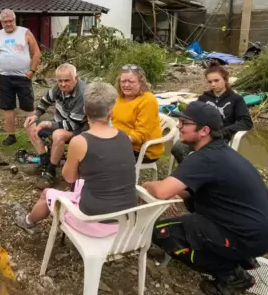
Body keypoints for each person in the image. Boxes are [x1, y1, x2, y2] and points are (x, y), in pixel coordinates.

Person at [142, 101, 268, 295]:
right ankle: (235, 254)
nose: (178, 127)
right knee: (191, 211)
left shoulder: (203, 159)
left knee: (160, 232)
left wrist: (148, 184)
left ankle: (233, 275)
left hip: (249, 235)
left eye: (185, 123)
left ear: (204, 130)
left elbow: (162, 191)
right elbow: (203, 187)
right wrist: (179, 193)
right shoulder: (220, 151)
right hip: (262, 228)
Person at [15, 82, 136, 234]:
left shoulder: (80, 141)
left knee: (47, 193)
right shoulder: (124, 137)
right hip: (127, 221)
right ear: (111, 112)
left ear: (85, 110)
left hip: (94, 222)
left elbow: (69, 178)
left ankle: (28, 221)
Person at [171, 62, 253, 164]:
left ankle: (201, 174)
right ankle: (189, 174)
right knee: (178, 148)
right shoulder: (204, 98)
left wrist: (225, 131)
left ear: (225, 79)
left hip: (221, 138)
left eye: (216, 80)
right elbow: (192, 116)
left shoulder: (236, 99)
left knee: (205, 155)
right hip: (200, 134)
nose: (213, 84)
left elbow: (246, 122)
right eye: (210, 82)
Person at [24, 63, 88, 182]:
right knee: (29, 123)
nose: (63, 84)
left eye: (67, 81)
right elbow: (45, 100)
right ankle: (44, 160)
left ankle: (51, 170)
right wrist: (35, 115)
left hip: (79, 130)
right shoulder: (59, 87)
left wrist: (48, 124)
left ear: (76, 78)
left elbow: (72, 124)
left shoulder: (82, 94)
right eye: (60, 81)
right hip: (60, 122)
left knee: (58, 135)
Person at [0, 9, 41, 146]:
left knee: (28, 107)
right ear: (1, 22)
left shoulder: (25, 32)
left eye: (11, 21)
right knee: (7, 107)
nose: (8, 24)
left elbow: (36, 53)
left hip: (23, 76)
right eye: (5, 22)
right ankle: (11, 136)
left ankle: (33, 134)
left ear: (14, 20)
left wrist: (32, 70)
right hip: (4, 77)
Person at [111, 64, 164, 162]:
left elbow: (140, 135)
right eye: (123, 81)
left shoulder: (148, 100)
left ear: (141, 83)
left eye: (131, 81)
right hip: (118, 141)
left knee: (101, 156)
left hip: (141, 149)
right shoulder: (119, 97)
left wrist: (114, 141)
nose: (126, 85)